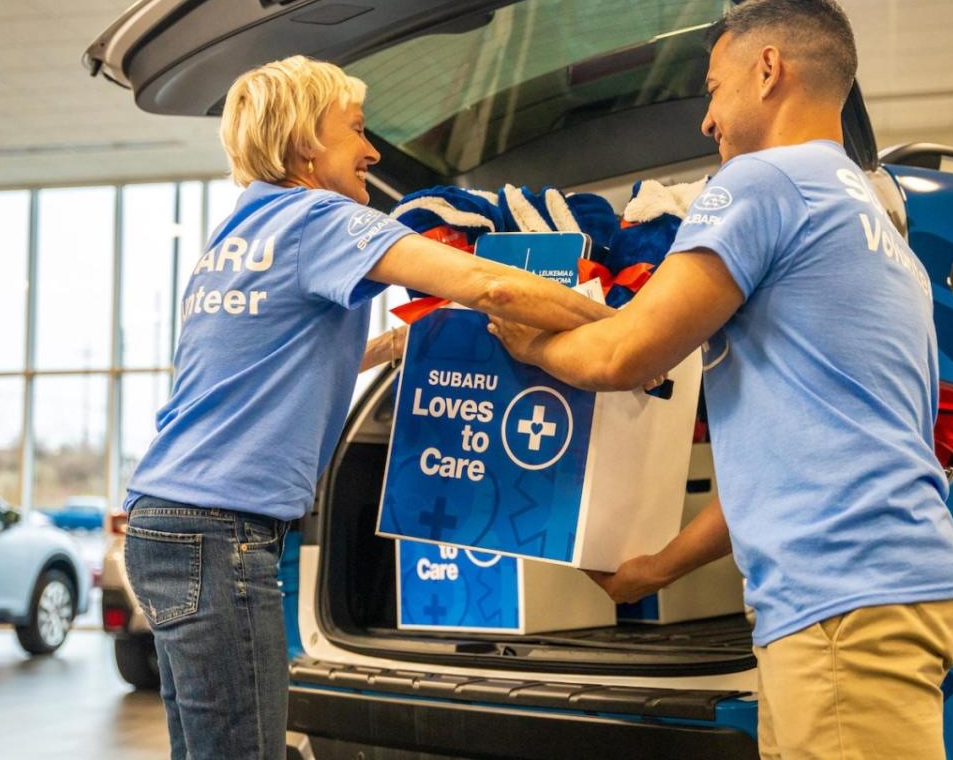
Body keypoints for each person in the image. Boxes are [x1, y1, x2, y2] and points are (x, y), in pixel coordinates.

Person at [488, 0, 953, 760]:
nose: (707, 119)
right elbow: (796, 461)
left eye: (713, 89)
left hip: (843, 598)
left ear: (769, 69)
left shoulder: (765, 184)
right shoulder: (875, 230)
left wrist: (527, 342)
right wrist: (660, 566)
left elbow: (625, 354)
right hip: (866, 590)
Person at [124, 56, 612, 760]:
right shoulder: (317, 216)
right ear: (304, 147)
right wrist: (622, 325)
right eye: (355, 129)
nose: (373, 150)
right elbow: (489, 285)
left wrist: (400, 341)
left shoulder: (238, 237)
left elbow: (271, 358)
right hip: (220, 533)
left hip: (166, 523)